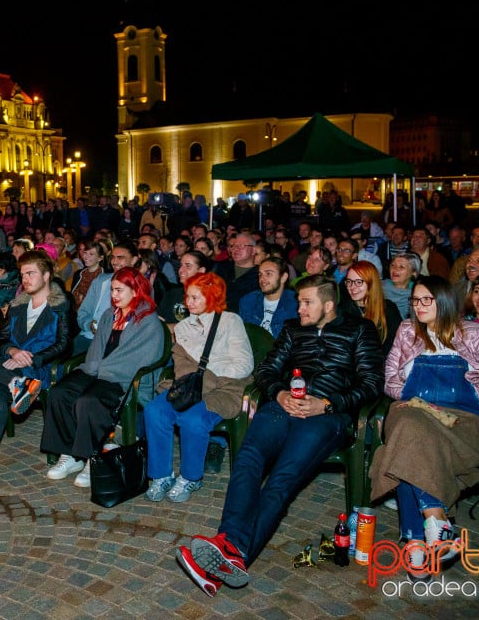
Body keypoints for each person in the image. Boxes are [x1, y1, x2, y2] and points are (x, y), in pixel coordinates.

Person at [176, 275, 384, 597]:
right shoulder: (292, 329)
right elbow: (266, 371)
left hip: (328, 417)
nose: (298, 307)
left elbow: (372, 384)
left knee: (282, 478)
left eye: (306, 302)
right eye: (298, 301)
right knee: (247, 458)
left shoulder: (359, 330)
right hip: (283, 407)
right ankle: (229, 547)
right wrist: (280, 392)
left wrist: (328, 404)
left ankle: (233, 553)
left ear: (328, 305)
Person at [369, 275, 479, 582]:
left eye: (426, 300)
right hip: (417, 415)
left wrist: (471, 391)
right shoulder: (407, 331)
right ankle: (435, 523)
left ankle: (415, 539)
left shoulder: (474, 334)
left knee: (407, 440)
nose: (418, 306)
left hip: (464, 424)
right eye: (415, 300)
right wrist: (412, 395)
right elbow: (390, 381)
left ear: (444, 302)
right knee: (410, 426)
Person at [0, 250, 74, 487]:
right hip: (12, 367)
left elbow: (65, 344)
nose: (25, 279)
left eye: (31, 273)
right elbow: (0, 340)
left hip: (39, 369)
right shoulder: (18, 305)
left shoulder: (61, 305)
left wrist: (31, 358)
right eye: (22, 275)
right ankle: (15, 384)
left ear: (47, 275)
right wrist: (12, 351)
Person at [41, 266, 165, 488]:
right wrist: (92, 369)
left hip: (123, 379)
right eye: (112, 291)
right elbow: (96, 349)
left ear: (136, 291)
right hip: (97, 371)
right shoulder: (109, 315)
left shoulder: (148, 321)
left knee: (89, 401)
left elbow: (141, 358)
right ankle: (69, 455)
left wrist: (101, 370)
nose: (114, 296)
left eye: (119, 290)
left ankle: (92, 457)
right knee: (59, 393)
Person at [143, 273, 253, 503]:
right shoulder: (182, 327)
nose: (188, 303)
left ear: (212, 297)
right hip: (191, 386)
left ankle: (191, 477)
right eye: (187, 297)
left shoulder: (231, 322)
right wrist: (202, 374)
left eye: (195, 297)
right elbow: (182, 365)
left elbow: (243, 365)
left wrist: (208, 374)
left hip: (226, 388)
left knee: (192, 419)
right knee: (155, 411)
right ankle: (161, 475)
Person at [341, 260, 402, 355]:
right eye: (349, 281)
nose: (352, 287)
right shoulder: (343, 309)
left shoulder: (388, 309)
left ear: (371, 283)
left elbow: (395, 346)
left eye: (358, 282)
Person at [238, 256, 298, 338]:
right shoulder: (248, 300)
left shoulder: (295, 303)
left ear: (283, 277)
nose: (262, 278)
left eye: (268, 274)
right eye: (260, 274)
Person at [383, 251, 420, 320]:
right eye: (393, 265)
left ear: (414, 273)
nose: (395, 269)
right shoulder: (379, 286)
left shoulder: (416, 293)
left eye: (401, 267)